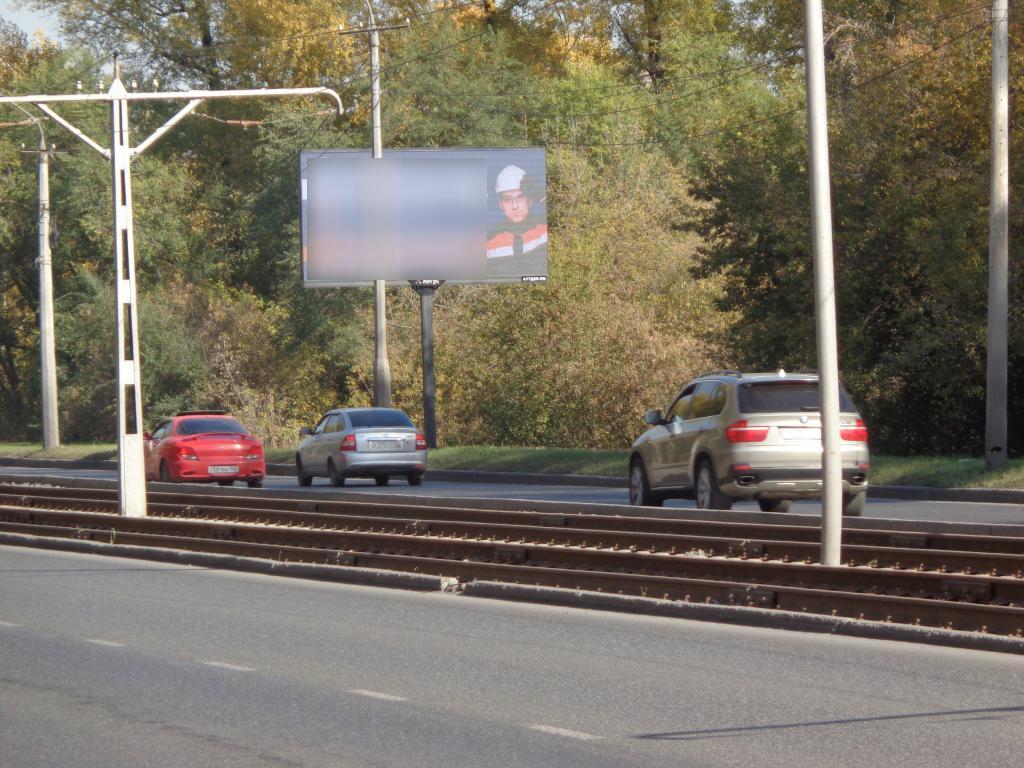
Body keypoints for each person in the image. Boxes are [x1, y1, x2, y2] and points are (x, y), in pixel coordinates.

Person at [486, 164, 547, 274]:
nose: (515, 206)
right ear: (500, 204)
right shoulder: (490, 243)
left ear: (530, 200)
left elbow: (570, 219)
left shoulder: (545, 230)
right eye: (507, 199)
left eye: (521, 197)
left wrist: (541, 196)